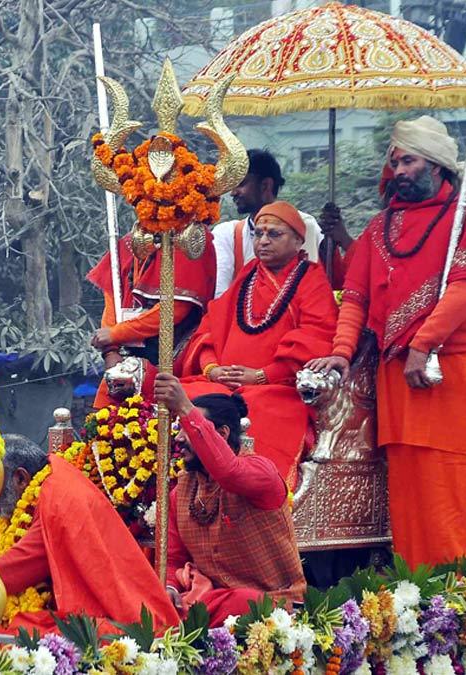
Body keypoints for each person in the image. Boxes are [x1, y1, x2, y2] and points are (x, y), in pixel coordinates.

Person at [306, 115, 466, 568]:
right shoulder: (379, 231)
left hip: (450, 368)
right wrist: (341, 354)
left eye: (409, 161)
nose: (399, 171)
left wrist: (424, 344)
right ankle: (425, 595)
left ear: (437, 165)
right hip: (398, 375)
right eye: (395, 162)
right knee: (410, 488)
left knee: (457, 484)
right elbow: (356, 301)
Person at [177, 201, 338, 488]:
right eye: (259, 234)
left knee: (257, 408)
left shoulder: (311, 279)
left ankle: (252, 494)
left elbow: (317, 338)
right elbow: (210, 329)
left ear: (299, 239)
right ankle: (174, 490)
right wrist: (212, 369)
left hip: (278, 388)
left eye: (274, 234)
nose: (263, 241)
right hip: (223, 382)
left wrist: (261, 375)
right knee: (188, 395)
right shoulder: (248, 274)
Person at [0, 434, 179, 633]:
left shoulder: (57, 498)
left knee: (19, 632)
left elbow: (26, 561)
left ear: (21, 479)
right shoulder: (52, 479)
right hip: (105, 601)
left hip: (116, 615)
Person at [154, 375, 306, 625]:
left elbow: (229, 473)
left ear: (222, 433)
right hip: (207, 600)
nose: (179, 438)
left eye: (187, 429)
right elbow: (173, 560)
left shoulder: (261, 472)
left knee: (242, 602)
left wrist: (184, 408)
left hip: (273, 604)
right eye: (179, 429)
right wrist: (170, 587)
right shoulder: (180, 492)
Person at [87, 223, 217, 408]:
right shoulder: (130, 240)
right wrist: (111, 350)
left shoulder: (190, 238)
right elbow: (112, 296)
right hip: (123, 356)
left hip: (172, 354)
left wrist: (117, 334)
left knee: (162, 419)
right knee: (108, 423)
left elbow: (175, 309)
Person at [211, 149, 352, 293]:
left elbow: (334, 283)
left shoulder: (308, 226)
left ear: (266, 185)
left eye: (241, 184)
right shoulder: (228, 234)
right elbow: (219, 295)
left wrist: (336, 244)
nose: (233, 192)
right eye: (259, 234)